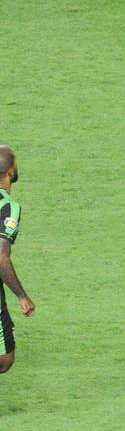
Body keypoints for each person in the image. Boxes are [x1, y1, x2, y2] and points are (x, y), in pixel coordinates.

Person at [0, 146, 34, 374]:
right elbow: (0, 256)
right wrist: (22, 295)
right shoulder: (8, 206)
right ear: (11, 171)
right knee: (4, 360)